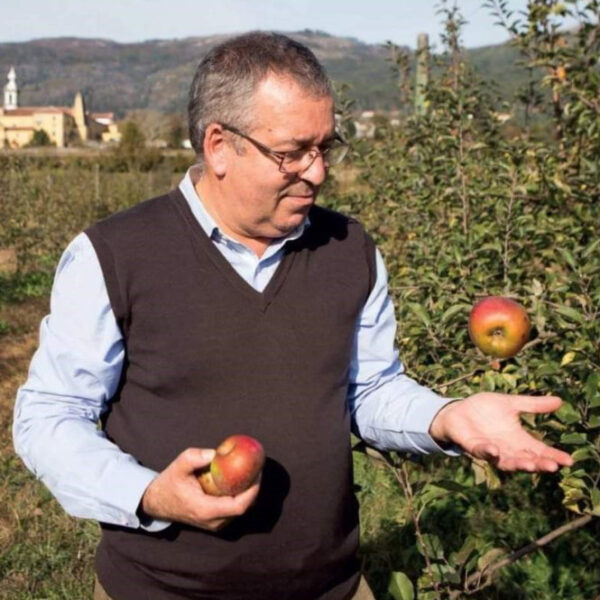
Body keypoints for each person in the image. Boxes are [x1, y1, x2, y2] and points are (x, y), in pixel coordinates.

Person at [13, 32, 573, 600]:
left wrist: (448, 419)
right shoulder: (115, 255)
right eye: (292, 153)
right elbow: (51, 416)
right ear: (218, 145)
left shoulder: (348, 249)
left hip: (329, 586)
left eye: (326, 147)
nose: (317, 172)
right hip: (161, 589)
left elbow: (370, 388)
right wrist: (149, 494)